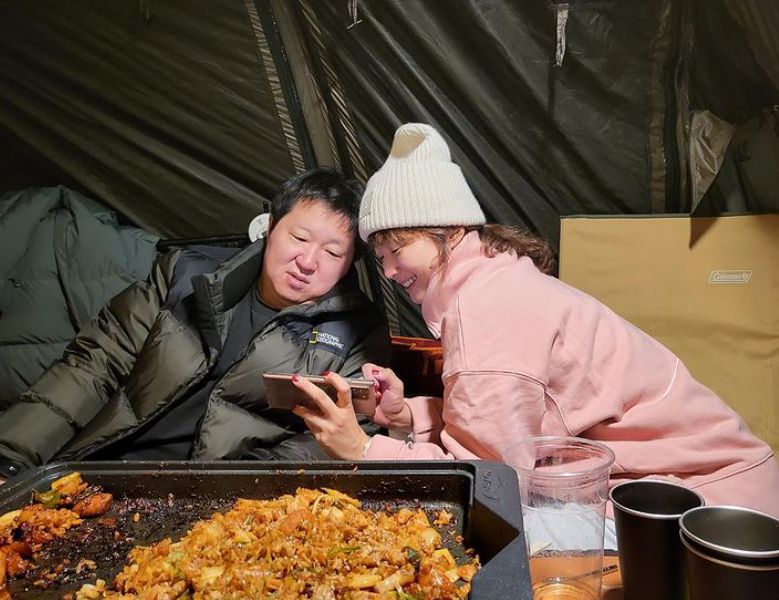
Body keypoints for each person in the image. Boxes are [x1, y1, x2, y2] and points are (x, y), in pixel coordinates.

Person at [292, 123, 779, 519]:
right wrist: (408, 417)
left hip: (707, 504)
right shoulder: (498, 281)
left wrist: (362, 449)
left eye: (397, 249)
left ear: (450, 230)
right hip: (714, 486)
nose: (389, 271)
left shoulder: (486, 311)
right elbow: (520, 427)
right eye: (379, 257)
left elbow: (494, 484)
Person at [0, 167, 391, 482]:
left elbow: (334, 439)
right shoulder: (185, 276)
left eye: (332, 253)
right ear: (271, 226)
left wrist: (224, 490)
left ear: (349, 264)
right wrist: (10, 458)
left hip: (210, 502)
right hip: (100, 467)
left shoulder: (356, 331)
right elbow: (93, 367)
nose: (307, 261)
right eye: (300, 237)